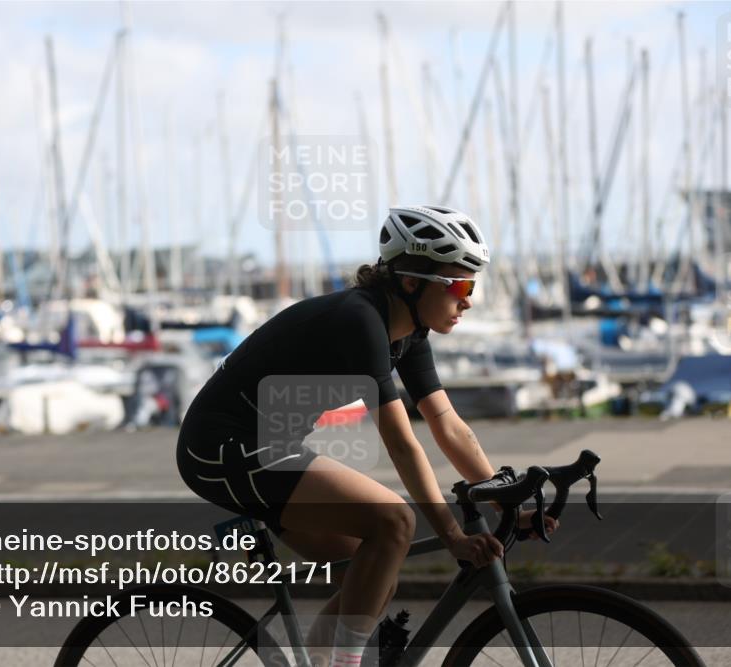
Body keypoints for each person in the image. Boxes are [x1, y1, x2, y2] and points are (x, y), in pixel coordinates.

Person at [176, 205, 557, 667]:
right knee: (394, 523)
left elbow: (447, 424)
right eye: (459, 284)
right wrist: (453, 534)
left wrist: (506, 503)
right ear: (412, 281)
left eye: (472, 286)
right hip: (222, 448)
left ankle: (322, 662)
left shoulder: (410, 333)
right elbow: (401, 442)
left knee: (376, 568)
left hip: (270, 446)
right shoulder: (361, 321)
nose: (469, 299)